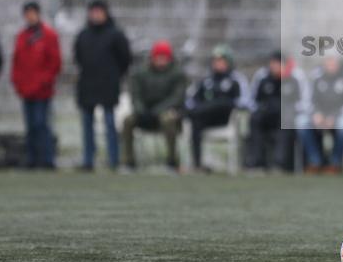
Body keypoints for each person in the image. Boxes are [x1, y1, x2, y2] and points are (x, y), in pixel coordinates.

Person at [73, 0, 132, 171]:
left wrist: (114, 76)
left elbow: (125, 59)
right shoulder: (83, 35)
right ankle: (88, 160)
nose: (96, 15)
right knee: (87, 125)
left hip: (108, 85)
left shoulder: (116, 34)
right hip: (87, 86)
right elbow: (78, 58)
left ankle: (113, 160)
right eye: (93, 11)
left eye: (99, 11)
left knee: (109, 123)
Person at [121, 40, 187, 171]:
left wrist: (156, 111)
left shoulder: (178, 74)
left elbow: (177, 98)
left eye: (164, 57)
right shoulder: (140, 73)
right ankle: (129, 161)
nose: (161, 60)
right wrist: (141, 111)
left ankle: (172, 161)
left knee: (168, 120)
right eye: (158, 57)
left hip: (166, 112)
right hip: (144, 112)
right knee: (127, 121)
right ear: (153, 57)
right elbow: (136, 94)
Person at [11, 1, 62, 169]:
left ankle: (47, 159)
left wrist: (43, 81)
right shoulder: (21, 36)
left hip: (42, 90)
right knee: (30, 126)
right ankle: (31, 159)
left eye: (32, 13)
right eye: (27, 13)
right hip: (25, 89)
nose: (30, 16)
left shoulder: (49, 35)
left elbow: (55, 63)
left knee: (41, 124)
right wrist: (17, 82)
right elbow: (16, 62)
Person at [184, 44, 247, 172]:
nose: (218, 64)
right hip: (205, 118)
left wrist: (223, 103)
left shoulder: (235, 80)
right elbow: (192, 99)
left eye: (221, 61)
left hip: (225, 118)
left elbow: (243, 102)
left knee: (221, 102)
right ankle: (197, 164)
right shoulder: (206, 80)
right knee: (196, 121)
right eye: (215, 61)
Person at [302, 56, 343, 174]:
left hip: (340, 115)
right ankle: (315, 161)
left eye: (333, 61)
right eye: (328, 61)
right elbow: (307, 100)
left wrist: (334, 116)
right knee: (302, 122)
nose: (331, 64)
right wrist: (315, 113)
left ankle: (335, 163)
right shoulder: (315, 75)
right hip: (319, 115)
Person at [246, 50, 299, 171]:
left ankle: (278, 163)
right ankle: (256, 162)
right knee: (255, 120)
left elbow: (300, 102)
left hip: (284, 117)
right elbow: (253, 101)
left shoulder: (293, 79)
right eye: (273, 63)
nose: (274, 66)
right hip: (266, 115)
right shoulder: (263, 78)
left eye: (278, 63)